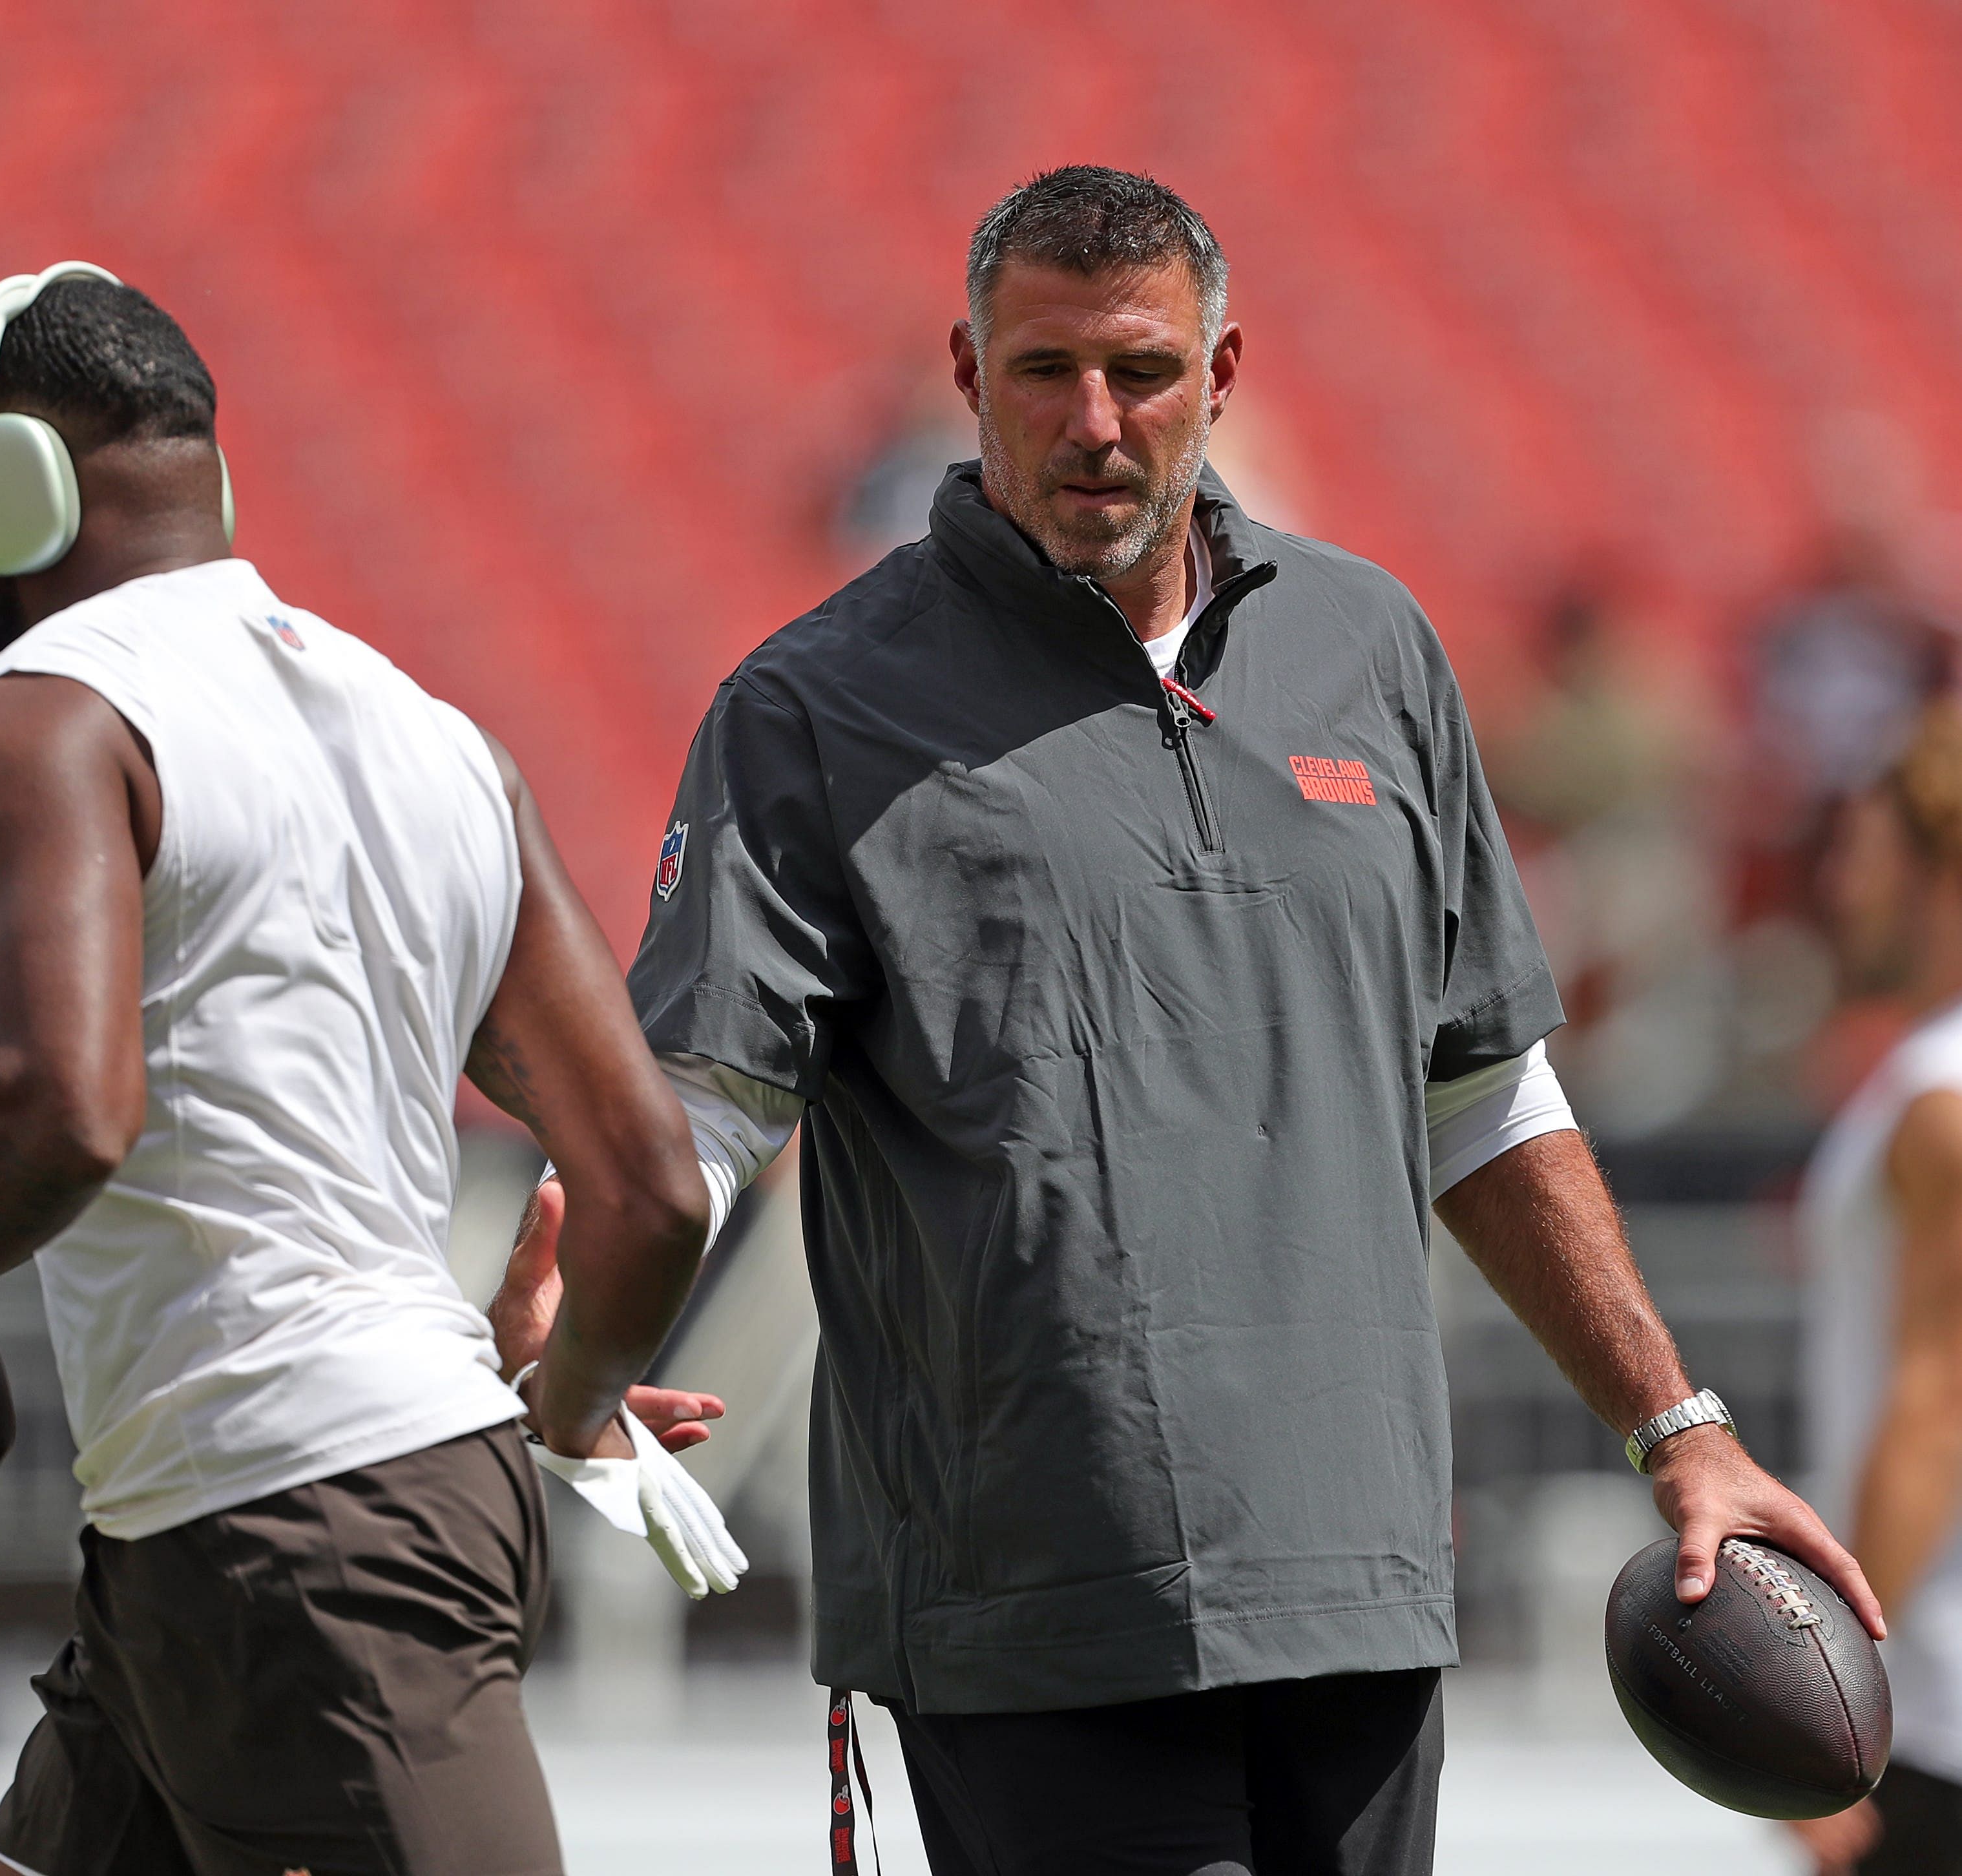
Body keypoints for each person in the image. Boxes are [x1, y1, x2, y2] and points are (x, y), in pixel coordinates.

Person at [493, 166, 1883, 1874]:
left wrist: (1682, 1434)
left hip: (1360, 1580)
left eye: (1141, 372)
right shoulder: (812, 708)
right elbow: (701, 1105)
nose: (1094, 422)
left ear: (1219, 378)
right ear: (965, 370)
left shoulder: (1372, 649)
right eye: (1044, 371)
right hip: (1034, 1602)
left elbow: (1482, 1095)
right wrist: (590, 1291)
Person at [0, 264, 742, 1876]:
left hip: (291, 1546)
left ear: (5, 486)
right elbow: (647, 1183)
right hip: (253, 1535)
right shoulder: (442, 741)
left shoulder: (31, 724)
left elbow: (59, 1112)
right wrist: (561, 1419)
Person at [1792, 702, 1962, 1876]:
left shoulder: (1940, 1097)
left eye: (1866, 850)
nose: (1840, 886)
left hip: (1937, 1702)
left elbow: (1934, 1403)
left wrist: (1827, 1699)